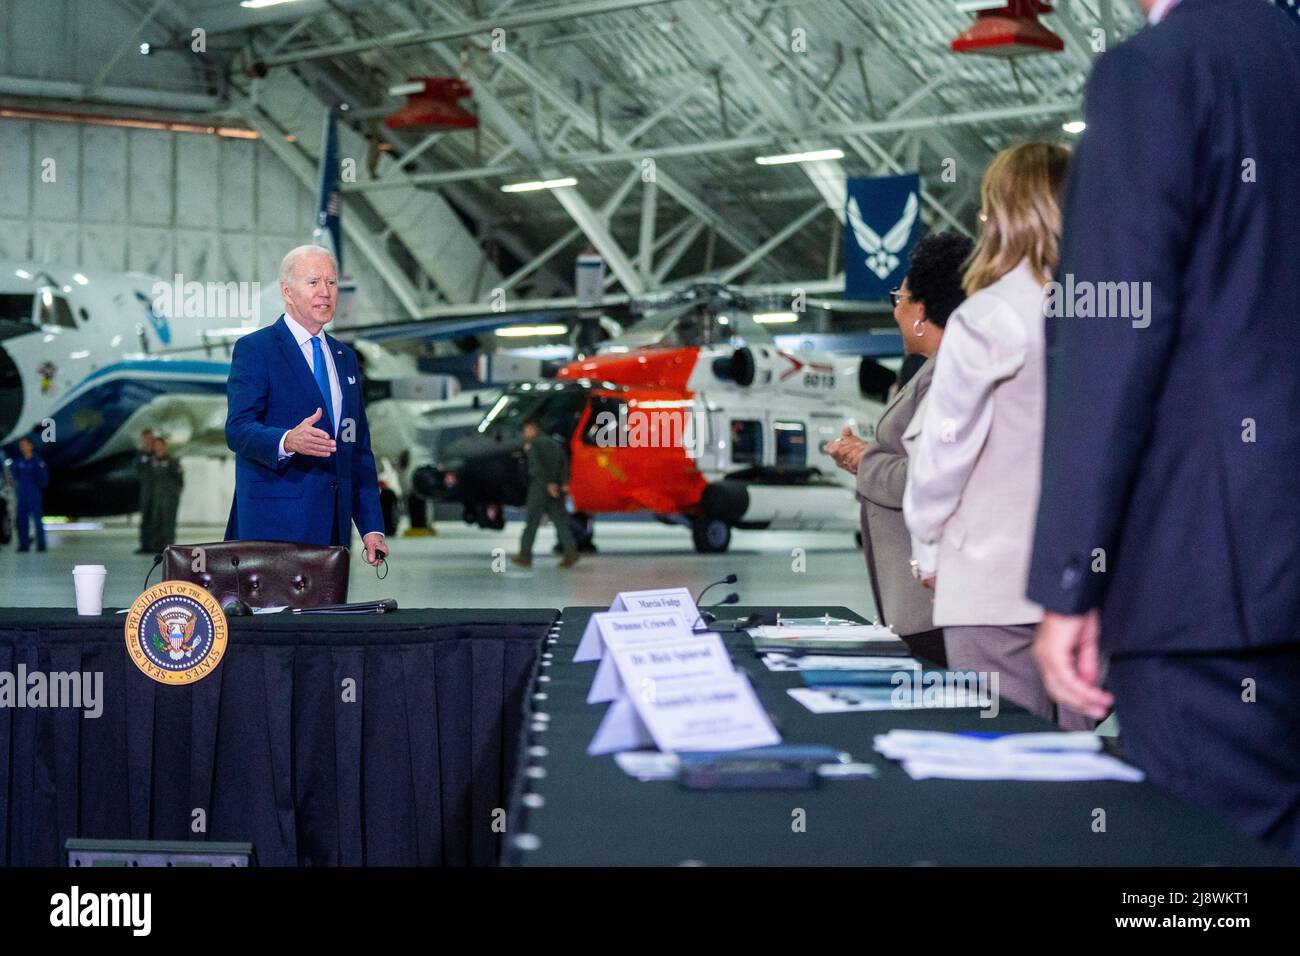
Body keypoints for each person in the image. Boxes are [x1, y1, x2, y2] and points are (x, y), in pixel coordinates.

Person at [1027, 0, 1300, 861]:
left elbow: (1111, 331)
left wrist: (1073, 577)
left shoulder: (1157, 71)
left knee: (1199, 889)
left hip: (1210, 584)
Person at [902, 143, 1090, 729]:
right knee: (1083, 765)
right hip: (1085, 579)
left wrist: (926, 545)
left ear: (1004, 215)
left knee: (1005, 767)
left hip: (990, 579)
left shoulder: (987, 316)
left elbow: (945, 450)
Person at [826, 232, 973, 666]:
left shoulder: (949, 374)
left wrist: (863, 459)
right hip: (923, 600)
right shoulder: (935, 370)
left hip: (932, 607)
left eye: (900, 297)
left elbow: (927, 477)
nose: (896, 309)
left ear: (922, 311)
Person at [224, 245, 388, 566]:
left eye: (331, 282)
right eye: (313, 282)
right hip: (273, 531)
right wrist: (287, 441)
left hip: (333, 535)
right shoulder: (256, 349)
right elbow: (238, 430)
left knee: (324, 617)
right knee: (278, 618)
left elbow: (357, 448)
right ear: (287, 291)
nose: (325, 292)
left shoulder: (345, 359)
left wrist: (371, 527)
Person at [511, 418, 578, 569]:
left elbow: (536, 468)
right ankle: (570, 552)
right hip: (558, 489)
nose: (525, 433)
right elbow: (564, 463)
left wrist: (548, 485)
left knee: (531, 523)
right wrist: (563, 483)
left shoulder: (533, 445)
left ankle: (525, 555)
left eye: (526, 430)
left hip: (540, 489)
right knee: (560, 523)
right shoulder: (554, 443)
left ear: (533, 429)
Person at [146, 435, 183, 552]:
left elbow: (179, 479)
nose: (158, 448)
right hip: (157, 497)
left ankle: (168, 547)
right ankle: (156, 546)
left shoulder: (172, 461)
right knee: (156, 521)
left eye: (160, 445)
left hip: (169, 497)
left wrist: (175, 493)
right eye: (156, 445)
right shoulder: (152, 461)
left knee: (168, 522)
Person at [12, 437, 48, 552]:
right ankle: (24, 545)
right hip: (22, 495)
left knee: (37, 521)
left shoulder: (37, 461)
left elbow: (43, 478)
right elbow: (15, 475)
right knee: (22, 521)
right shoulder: (19, 461)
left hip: (34, 495)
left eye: (24, 444)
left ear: (30, 446)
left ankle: (41, 545)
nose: (22, 447)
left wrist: (37, 489)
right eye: (21, 445)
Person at [135, 427, 155, 554]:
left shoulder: (157, 454)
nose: (148, 441)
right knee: (146, 518)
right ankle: (145, 544)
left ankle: (157, 543)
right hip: (146, 490)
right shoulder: (140, 455)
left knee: (158, 518)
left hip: (158, 491)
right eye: (146, 439)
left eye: (150, 438)